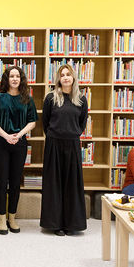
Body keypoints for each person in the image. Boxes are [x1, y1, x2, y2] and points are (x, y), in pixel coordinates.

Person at [0, 66, 37, 234]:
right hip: (1, 142)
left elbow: (32, 121)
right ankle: (1, 218)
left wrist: (18, 135)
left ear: (21, 79)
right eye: (11, 76)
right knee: (1, 181)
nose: (14, 79)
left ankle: (12, 217)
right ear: (7, 79)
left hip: (19, 143)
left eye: (17, 76)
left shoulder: (27, 99)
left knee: (15, 182)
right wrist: (6, 135)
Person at [40, 64, 89, 235]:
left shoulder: (81, 99)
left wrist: (71, 133)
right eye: (63, 75)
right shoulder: (51, 98)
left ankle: (71, 224)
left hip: (72, 144)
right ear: (59, 79)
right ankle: (56, 225)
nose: (66, 77)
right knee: (54, 184)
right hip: (54, 144)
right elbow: (45, 122)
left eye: (68, 74)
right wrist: (55, 135)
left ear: (73, 77)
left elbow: (82, 122)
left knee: (72, 184)